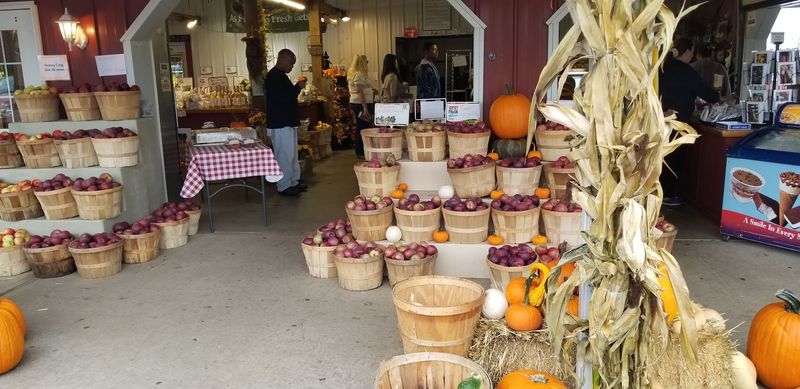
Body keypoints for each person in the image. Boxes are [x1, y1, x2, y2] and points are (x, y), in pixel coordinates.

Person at [659, 38, 721, 206]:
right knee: (673, 157)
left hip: (661, 117)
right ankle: (667, 194)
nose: (692, 55)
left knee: (663, 155)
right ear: (686, 51)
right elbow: (704, 91)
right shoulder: (685, 70)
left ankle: (659, 193)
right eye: (691, 51)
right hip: (676, 120)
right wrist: (718, 97)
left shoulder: (663, 67)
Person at [265, 49, 307, 196]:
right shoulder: (273, 77)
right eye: (291, 63)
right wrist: (298, 87)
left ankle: (293, 181)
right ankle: (284, 185)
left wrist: (296, 87)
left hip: (287, 121)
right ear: (282, 59)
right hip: (280, 123)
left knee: (292, 155)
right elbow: (283, 98)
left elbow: (287, 96)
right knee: (284, 155)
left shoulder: (281, 76)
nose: (292, 66)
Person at [348, 54, 374, 158]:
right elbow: (360, 92)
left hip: (359, 103)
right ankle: (360, 151)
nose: (367, 64)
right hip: (360, 104)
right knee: (363, 127)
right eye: (366, 62)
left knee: (363, 126)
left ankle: (363, 150)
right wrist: (365, 108)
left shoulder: (356, 74)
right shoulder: (359, 75)